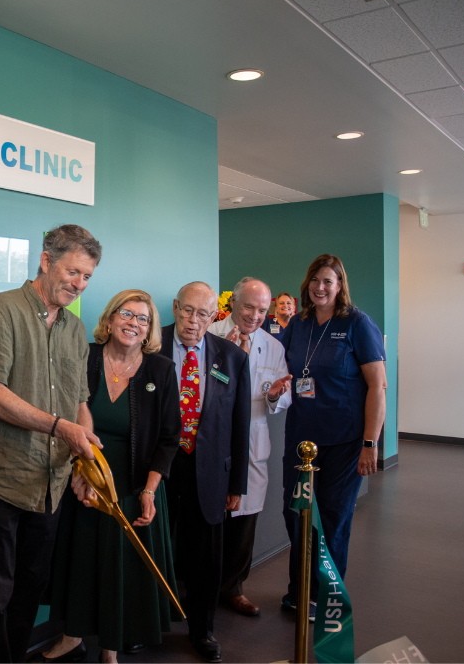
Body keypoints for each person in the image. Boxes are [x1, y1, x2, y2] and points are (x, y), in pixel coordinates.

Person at [0, 224, 103, 663]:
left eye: (87, 277)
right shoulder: (1, 311)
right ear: (46, 261)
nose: (78, 284)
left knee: (27, 595)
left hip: (51, 487)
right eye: (73, 271)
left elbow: (79, 401)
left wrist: (87, 462)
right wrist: (60, 428)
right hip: (0, 480)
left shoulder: (75, 329)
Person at [46, 290, 181, 664]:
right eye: (126, 314)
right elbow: (64, 415)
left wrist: (151, 491)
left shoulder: (161, 369)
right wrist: (79, 470)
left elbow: (170, 438)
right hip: (85, 477)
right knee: (82, 561)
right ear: (109, 319)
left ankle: (111, 647)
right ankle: (72, 637)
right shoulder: (85, 357)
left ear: (150, 329)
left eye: (143, 319)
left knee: (121, 566)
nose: (133, 324)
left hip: (136, 483)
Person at [275, 254, 386, 618]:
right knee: (297, 514)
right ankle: (298, 589)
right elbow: (279, 366)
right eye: (315, 281)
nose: (320, 288)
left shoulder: (357, 324)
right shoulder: (299, 323)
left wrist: (370, 443)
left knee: (333, 519)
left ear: (340, 286)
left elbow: (378, 386)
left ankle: (326, 594)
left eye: (328, 281)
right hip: (301, 440)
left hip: (344, 441)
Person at [158, 281, 251, 663]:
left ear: (215, 316)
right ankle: (145, 624)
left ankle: (203, 631)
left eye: (203, 313)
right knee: (153, 549)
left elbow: (239, 426)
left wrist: (237, 483)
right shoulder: (150, 344)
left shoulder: (232, 357)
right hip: (158, 469)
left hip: (210, 470)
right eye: (187, 310)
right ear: (176, 307)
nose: (193, 321)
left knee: (204, 559)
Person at [208, 278, 291, 618]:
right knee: (208, 520)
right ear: (234, 303)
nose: (255, 316)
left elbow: (283, 394)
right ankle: (199, 587)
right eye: (248, 307)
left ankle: (233, 588)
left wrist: (275, 396)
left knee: (244, 523)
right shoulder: (209, 334)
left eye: (261, 310)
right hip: (212, 441)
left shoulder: (273, 347)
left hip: (252, 442)